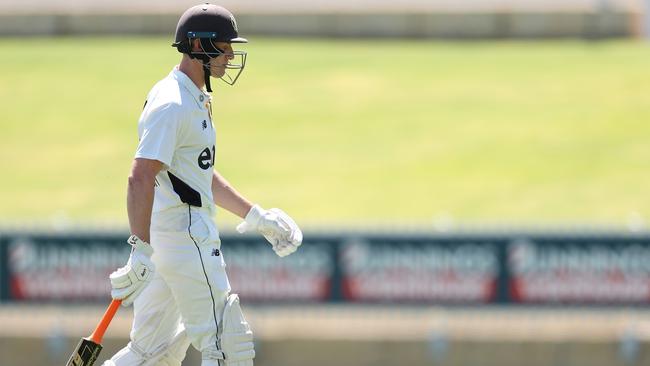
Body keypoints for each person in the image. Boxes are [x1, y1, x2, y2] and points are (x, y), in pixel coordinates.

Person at [104, 4, 303, 366]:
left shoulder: (190, 97)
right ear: (198, 46)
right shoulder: (173, 103)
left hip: (168, 240)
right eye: (223, 48)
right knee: (226, 344)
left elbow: (196, 175)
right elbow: (140, 175)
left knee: (152, 352)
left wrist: (255, 216)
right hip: (186, 235)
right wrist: (139, 248)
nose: (229, 57)